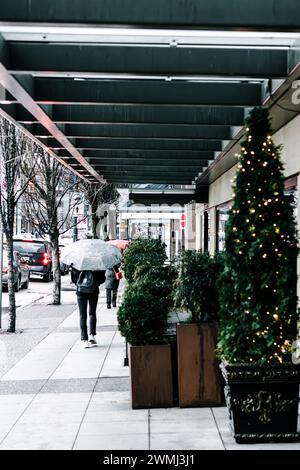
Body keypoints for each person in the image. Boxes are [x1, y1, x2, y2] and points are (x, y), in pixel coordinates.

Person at [71, 267, 106, 348]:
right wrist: (95, 283)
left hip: (81, 291)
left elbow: (73, 279)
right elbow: (102, 278)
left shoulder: (77, 263)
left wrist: (79, 283)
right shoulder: (97, 263)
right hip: (93, 290)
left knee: (82, 315)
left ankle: (84, 340)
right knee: (92, 313)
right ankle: (91, 336)